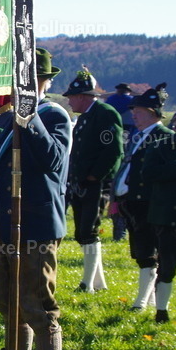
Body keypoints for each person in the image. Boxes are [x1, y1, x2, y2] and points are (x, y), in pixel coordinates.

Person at [0, 48, 71, 350]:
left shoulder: (55, 115)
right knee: (10, 306)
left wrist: (29, 117)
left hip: (35, 227)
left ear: (42, 82)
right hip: (6, 227)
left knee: (38, 307)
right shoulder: (5, 124)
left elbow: (52, 161)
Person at [63, 67, 123, 292]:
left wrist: (94, 176)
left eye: (71, 98)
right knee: (83, 231)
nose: (69, 102)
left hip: (95, 183)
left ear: (82, 96)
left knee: (89, 230)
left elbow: (113, 151)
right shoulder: (86, 118)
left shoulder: (105, 114)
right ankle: (98, 282)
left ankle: (87, 283)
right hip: (82, 182)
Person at [114, 84, 171, 312]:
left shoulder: (165, 137)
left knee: (148, 255)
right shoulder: (140, 136)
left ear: (152, 112)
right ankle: (150, 300)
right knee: (141, 253)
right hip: (133, 204)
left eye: (139, 110)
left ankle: (141, 303)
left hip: (150, 204)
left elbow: (169, 172)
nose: (134, 114)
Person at [140, 106, 176, 322]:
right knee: (167, 265)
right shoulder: (161, 147)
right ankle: (161, 311)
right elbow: (148, 174)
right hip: (168, 217)